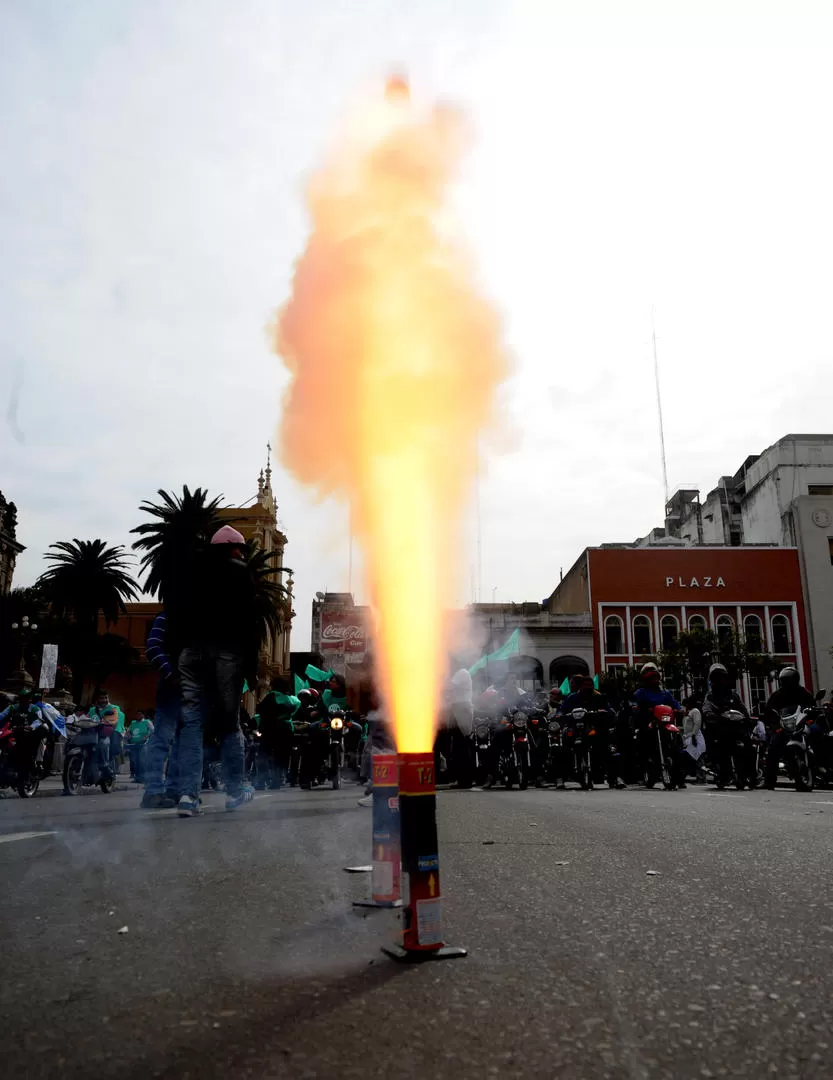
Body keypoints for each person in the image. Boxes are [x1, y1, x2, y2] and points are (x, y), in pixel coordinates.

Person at [168, 525, 258, 817]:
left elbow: (174, 615)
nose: (240, 554)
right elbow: (249, 621)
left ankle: (187, 796)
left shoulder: (189, 570)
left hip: (191, 654)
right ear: (234, 550)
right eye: (240, 550)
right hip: (227, 654)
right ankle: (234, 791)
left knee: (191, 724)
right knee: (230, 724)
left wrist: (175, 658)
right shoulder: (240, 571)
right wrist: (252, 668)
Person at [140, 610, 182, 809]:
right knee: (162, 739)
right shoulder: (167, 617)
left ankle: (174, 789)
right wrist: (171, 673)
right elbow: (152, 647)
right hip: (171, 689)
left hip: (192, 693)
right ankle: (153, 790)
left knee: (183, 744)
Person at [560, 675, 624, 788]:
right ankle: (560, 777)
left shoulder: (599, 697)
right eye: (586, 685)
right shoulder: (573, 697)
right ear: (581, 686)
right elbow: (562, 710)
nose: (588, 687)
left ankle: (615, 777)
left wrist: (607, 712)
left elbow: (609, 709)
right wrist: (559, 715)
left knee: (611, 748)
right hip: (575, 728)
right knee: (562, 745)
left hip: (594, 727)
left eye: (590, 685)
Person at [631, 663, 686, 788]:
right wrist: (636, 707)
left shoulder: (665, 693)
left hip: (664, 725)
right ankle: (645, 766)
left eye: (655, 676)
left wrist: (680, 709)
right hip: (649, 724)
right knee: (641, 741)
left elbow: (674, 703)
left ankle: (679, 777)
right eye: (651, 676)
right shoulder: (641, 692)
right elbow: (634, 703)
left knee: (677, 743)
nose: (654, 679)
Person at [762, 666, 816, 790]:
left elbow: (813, 707)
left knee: (816, 733)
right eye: (785, 681)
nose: (787, 684)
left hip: (801, 725)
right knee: (773, 748)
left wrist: (811, 717)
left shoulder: (803, 693)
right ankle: (769, 780)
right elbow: (769, 712)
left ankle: (822, 764)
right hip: (786, 727)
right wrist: (776, 726)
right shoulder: (777, 695)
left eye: (789, 680)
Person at [448, 667, 474, 788]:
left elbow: (449, 686)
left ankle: (465, 780)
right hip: (459, 707)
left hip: (461, 707)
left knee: (462, 744)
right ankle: (462, 779)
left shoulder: (461, 673)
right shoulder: (460, 673)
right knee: (459, 745)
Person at [88, 690, 126, 774]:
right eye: (101, 698)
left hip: (111, 732)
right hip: (94, 733)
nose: (104, 700)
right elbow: (87, 719)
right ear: (97, 699)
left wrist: (109, 722)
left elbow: (115, 719)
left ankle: (110, 768)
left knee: (108, 747)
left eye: (106, 698)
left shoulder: (114, 708)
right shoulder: (92, 710)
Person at [681, 693, 707, 782]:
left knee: (698, 757)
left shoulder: (695, 711)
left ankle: (701, 778)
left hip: (695, 738)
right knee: (690, 758)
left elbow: (697, 724)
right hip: (689, 738)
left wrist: (693, 735)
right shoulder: (688, 713)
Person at [126, 709, 154, 783]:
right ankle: (137, 778)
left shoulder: (147, 722)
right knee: (135, 761)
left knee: (142, 761)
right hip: (134, 744)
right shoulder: (133, 722)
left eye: (140, 714)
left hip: (144, 744)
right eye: (137, 714)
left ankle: (144, 778)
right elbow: (128, 731)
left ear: (143, 715)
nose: (138, 715)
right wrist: (129, 736)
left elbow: (152, 730)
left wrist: (146, 737)